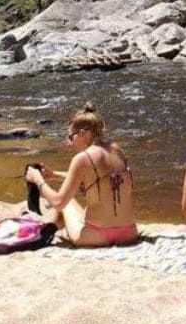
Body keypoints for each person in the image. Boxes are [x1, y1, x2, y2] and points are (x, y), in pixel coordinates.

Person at [24, 103, 138, 247]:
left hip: (97, 236)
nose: (69, 141)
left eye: (70, 137)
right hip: (129, 233)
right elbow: (100, 178)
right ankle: (51, 226)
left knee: (66, 203)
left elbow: (58, 202)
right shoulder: (117, 150)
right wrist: (54, 175)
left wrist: (37, 179)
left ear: (83, 134)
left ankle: (44, 229)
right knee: (70, 208)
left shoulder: (83, 158)